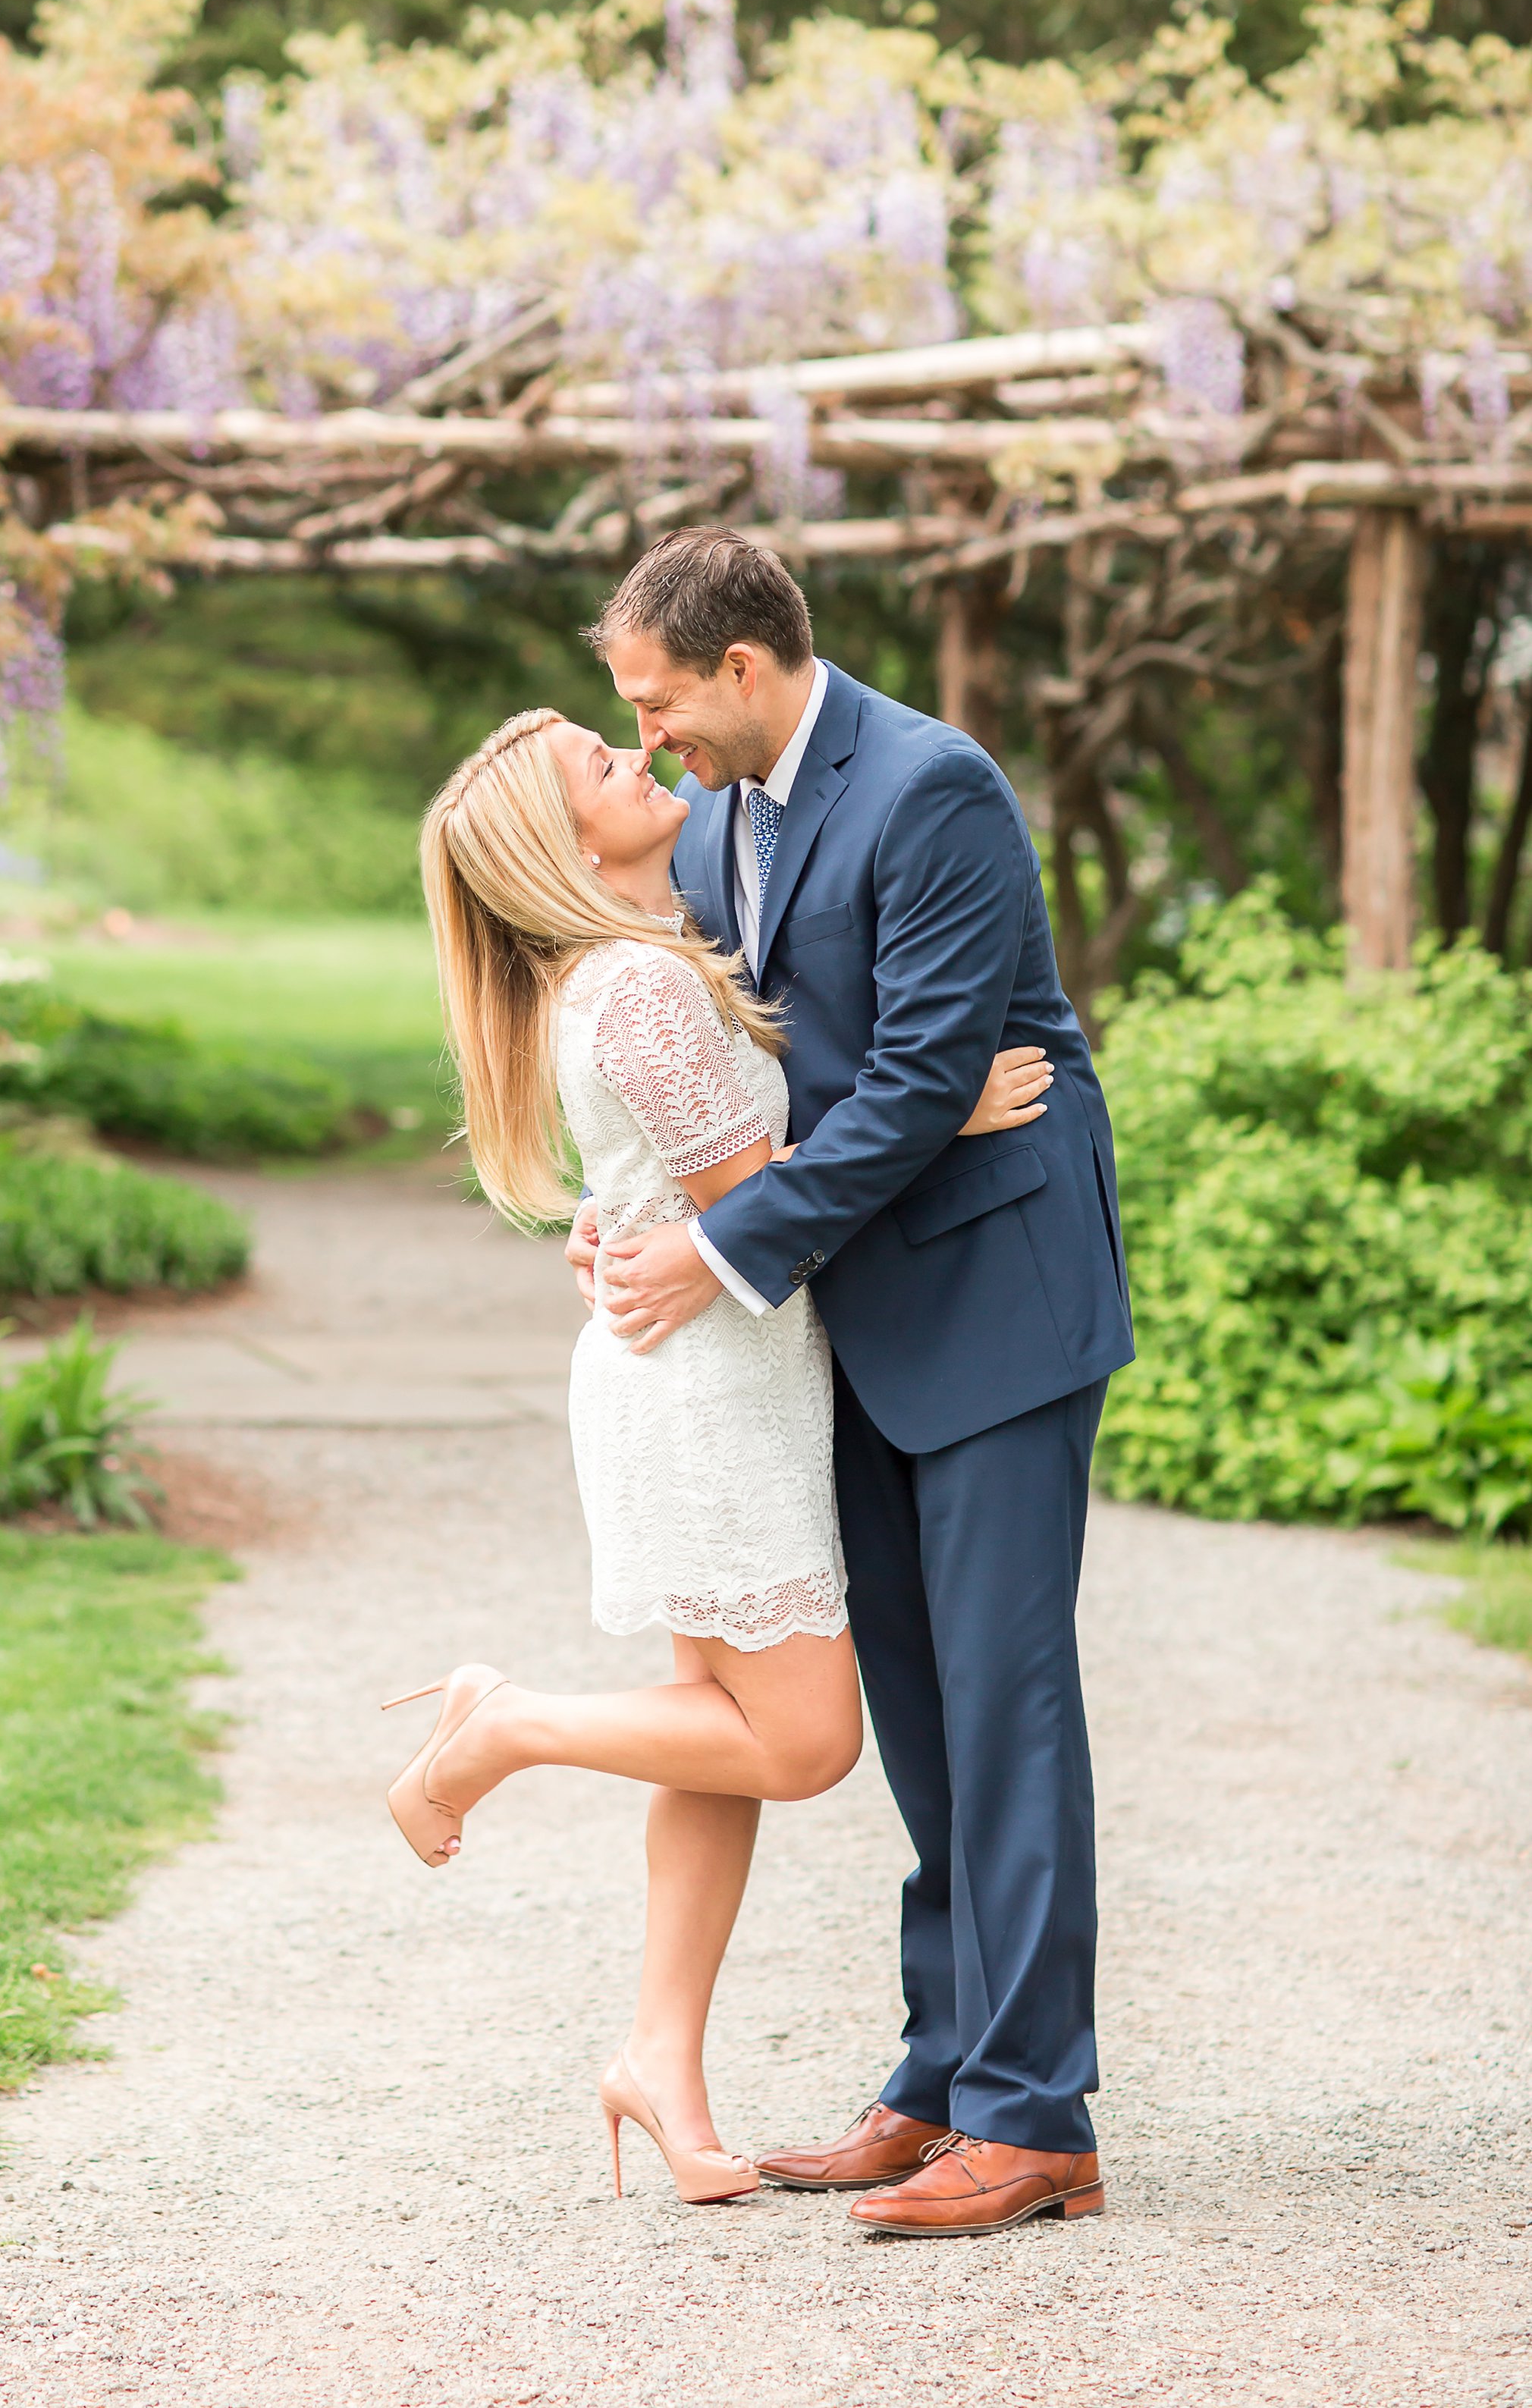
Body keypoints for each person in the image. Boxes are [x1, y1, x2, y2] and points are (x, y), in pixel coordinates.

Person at [397, 700, 1051, 2207]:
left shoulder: (635, 961)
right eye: (601, 768)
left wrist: (644, 1221)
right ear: (568, 846)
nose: (639, 762)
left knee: (715, 1737)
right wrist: (937, 1112)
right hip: (705, 1390)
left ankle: (657, 2061)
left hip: (708, 1364)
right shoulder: (628, 985)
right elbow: (759, 1189)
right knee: (801, 1737)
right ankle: (503, 1726)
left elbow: (698, 1190)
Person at [570, 527, 1134, 2240]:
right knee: (914, 1701)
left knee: (1003, 1699)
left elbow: (922, 1079)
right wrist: (632, 1220)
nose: (651, 743)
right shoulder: (729, 817)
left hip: (993, 1299)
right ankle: (941, 2074)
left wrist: (716, 1257)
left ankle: (1036, 2122)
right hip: (859, 1315)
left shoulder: (929, 786)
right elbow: (773, 1078)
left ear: (740, 667)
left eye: (659, 706)